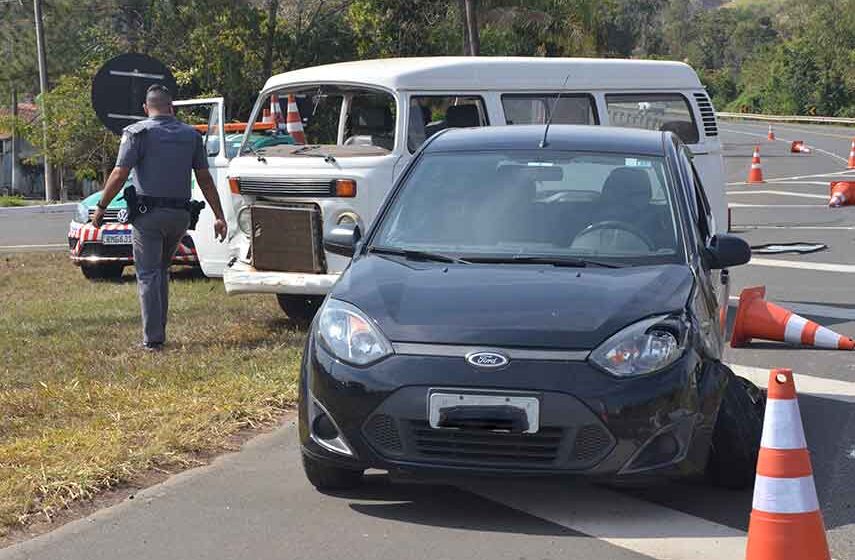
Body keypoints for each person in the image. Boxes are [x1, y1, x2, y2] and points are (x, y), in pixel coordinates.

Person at [92, 84, 227, 351]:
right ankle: (158, 331)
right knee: (161, 271)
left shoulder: (136, 133)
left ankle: (153, 340)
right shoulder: (190, 135)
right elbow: (204, 178)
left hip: (148, 217)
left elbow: (119, 174)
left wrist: (101, 206)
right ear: (171, 107)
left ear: (146, 108)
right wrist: (219, 215)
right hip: (179, 216)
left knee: (148, 274)